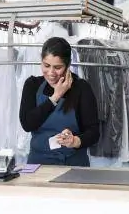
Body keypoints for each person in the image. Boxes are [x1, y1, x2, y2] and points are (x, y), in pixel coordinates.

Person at [19, 37, 99, 166]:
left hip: (73, 164)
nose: (51, 73)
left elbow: (94, 132)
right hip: (38, 164)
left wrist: (75, 141)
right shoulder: (32, 85)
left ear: (68, 66)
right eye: (46, 65)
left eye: (57, 67)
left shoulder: (82, 88)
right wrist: (55, 97)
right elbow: (28, 124)